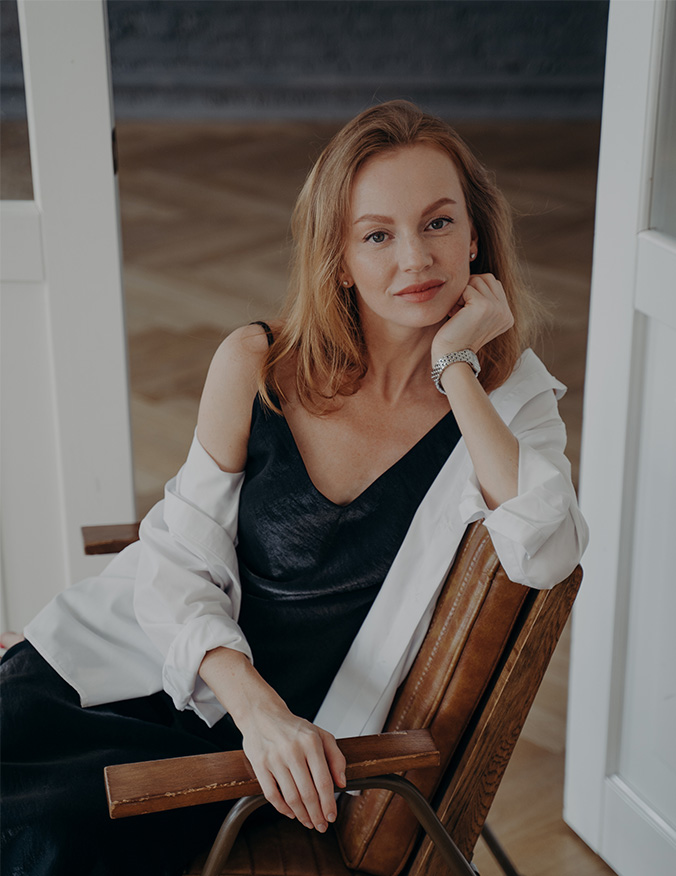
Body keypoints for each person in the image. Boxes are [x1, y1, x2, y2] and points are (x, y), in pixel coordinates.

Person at [0, 100, 588, 876]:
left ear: (475, 235)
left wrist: (458, 370)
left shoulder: (513, 403)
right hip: (148, 671)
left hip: (254, 761)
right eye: (377, 235)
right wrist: (258, 709)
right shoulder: (258, 366)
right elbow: (174, 561)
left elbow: (547, 550)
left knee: (39, 840)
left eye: (439, 223)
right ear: (339, 258)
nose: (415, 259)